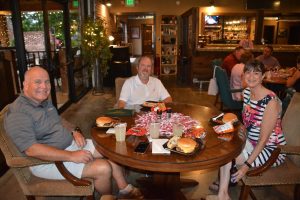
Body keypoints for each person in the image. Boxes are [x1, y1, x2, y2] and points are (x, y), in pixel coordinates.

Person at [4, 66, 143, 199]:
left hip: (69, 145)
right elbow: (31, 150)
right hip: (47, 161)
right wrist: (71, 156)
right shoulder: (18, 113)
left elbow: (60, 121)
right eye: (37, 82)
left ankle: (124, 188)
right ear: (25, 84)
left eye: (47, 82)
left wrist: (74, 131)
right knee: (103, 168)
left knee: (112, 148)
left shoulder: (43, 102)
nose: (44, 86)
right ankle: (108, 197)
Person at [207, 60, 286, 200]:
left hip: (271, 149)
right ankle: (223, 195)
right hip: (252, 141)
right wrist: (239, 130)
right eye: (248, 72)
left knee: (228, 156)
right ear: (243, 75)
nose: (251, 76)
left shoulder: (270, 101)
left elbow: (264, 139)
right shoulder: (247, 92)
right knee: (224, 149)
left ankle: (223, 193)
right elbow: (249, 121)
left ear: (263, 77)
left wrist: (246, 166)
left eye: (256, 73)